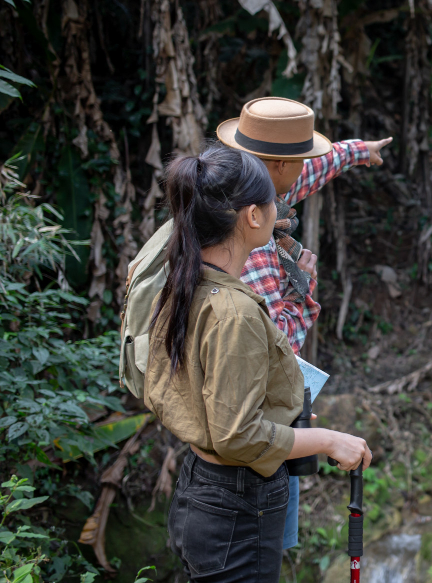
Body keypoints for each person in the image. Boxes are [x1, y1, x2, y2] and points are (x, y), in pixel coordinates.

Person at [144, 146, 372, 583]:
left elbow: (209, 399)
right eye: (271, 203)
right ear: (252, 217)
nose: (279, 212)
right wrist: (328, 440)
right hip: (236, 505)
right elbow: (238, 437)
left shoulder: (186, 281)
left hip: (202, 487)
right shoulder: (235, 312)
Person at [215, 96, 392, 550]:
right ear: (277, 165)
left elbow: (319, 166)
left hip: (235, 437)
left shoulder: (234, 192)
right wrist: (300, 287)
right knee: (261, 557)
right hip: (255, 442)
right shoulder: (250, 248)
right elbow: (276, 346)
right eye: (298, 160)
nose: (306, 169)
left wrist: (359, 150)